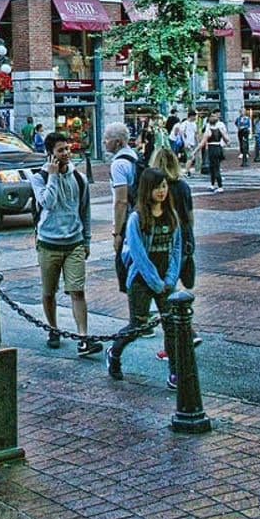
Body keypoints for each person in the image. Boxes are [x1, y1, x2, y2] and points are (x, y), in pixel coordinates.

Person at [106, 167, 181, 388]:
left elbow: (176, 249)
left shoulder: (171, 215)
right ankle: (115, 352)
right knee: (137, 325)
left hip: (165, 277)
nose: (162, 191)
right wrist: (155, 282)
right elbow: (138, 255)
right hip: (141, 279)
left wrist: (170, 279)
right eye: (157, 187)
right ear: (147, 189)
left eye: (165, 186)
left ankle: (175, 371)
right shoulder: (136, 219)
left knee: (172, 325)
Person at [31, 132, 101, 356]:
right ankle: (53, 329)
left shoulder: (78, 178)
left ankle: (83, 338)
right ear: (50, 153)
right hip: (48, 243)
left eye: (68, 149)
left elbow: (85, 212)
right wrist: (52, 176)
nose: (66, 154)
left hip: (74, 243)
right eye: (61, 150)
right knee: (49, 291)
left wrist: (87, 240)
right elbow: (48, 203)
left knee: (77, 291)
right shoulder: (39, 178)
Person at [150, 146, 200, 354]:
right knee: (172, 289)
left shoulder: (158, 188)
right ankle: (185, 330)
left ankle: (185, 334)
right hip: (186, 242)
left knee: (165, 294)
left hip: (166, 244)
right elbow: (190, 217)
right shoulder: (182, 186)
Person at [104, 122, 139, 286]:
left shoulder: (118, 164)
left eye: (107, 138)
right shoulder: (134, 156)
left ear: (117, 141)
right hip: (139, 216)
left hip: (128, 222)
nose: (104, 141)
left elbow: (121, 201)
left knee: (127, 266)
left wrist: (117, 232)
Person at [195, 110, 230, 193]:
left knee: (215, 167)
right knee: (214, 167)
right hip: (219, 148)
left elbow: (202, 143)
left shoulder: (208, 131)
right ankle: (213, 184)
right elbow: (228, 140)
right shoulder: (220, 129)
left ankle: (220, 185)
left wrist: (195, 151)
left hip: (212, 149)